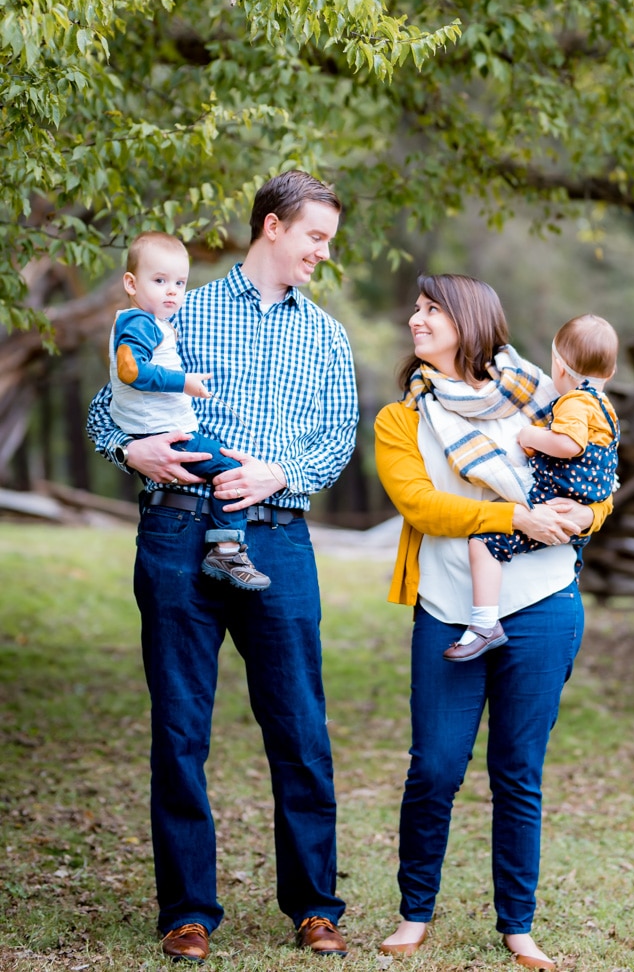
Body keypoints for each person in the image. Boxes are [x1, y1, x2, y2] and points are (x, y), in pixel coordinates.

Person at [87, 170, 359, 963]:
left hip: (277, 537)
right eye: (314, 236)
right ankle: (187, 913)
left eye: (329, 241)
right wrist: (127, 448)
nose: (322, 252)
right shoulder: (181, 307)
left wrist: (281, 473)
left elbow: (336, 441)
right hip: (177, 534)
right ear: (271, 227)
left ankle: (314, 905)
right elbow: (114, 405)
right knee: (179, 728)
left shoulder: (328, 335)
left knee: (301, 726)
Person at [373, 274, 614, 970]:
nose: (414, 321)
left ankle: (518, 925)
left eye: (429, 311)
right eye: (415, 311)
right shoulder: (403, 419)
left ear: (470, 321)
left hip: (543, 602)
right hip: (451, 608)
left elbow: (597, 476)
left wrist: (585, 516)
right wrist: (514, 516)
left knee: (518, 770)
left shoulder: (545, 397)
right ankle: (415, 912)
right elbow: (421, 506)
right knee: (436, 768)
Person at [445, 313, 619, 661]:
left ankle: (483, 623)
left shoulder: (574, 401)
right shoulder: (606, 409)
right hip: (579, 506)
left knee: (483, 543)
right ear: (610, 373)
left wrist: (530, 435)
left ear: (559, 367)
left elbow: (569, 443)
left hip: (556, 498)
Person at [109, 230, 270, 592]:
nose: (172, 291)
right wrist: (184, 383)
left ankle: (225, 546)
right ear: (131, 284)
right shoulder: (139, 323)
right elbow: (129, 370)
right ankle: (226, 550)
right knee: (231, 470)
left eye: (179, 283)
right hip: (164, 436)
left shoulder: (153, 323)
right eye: (160, 280)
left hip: (163, 431)